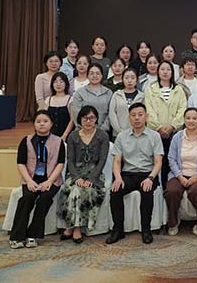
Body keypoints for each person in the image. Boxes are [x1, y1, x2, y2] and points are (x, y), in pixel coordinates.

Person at [106, 103, 164, 245]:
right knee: (115, 191)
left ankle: (146, 230)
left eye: (140, 114)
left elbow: (158, 162)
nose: (137, 118)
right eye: (133, 115)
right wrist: (118, 178)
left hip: (147, 173)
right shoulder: (121, 136)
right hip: (128, 174)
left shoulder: (154, 136)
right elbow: (117, 161)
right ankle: (118, 230)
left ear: (146, 117)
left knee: (147, 191)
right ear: (129, 118)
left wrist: (151, 178)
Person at [8, 110, 65, 249]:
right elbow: (20, 163)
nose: (42, 124)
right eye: (38, 121)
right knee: (26, 199)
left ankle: (32, 235)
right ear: (34, 124)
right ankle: (17, 236)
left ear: (51, 124)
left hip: (51, 180)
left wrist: (49, 181)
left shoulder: (58, 142)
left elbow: (60, 164)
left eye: (45, 121)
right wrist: (29, 181)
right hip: (31, 179)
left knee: (44, 199)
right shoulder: (26, 141)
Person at [58, 106, 109, 244]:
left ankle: (73, 228)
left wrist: (92, 178)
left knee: (84, 190)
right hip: (76, 173)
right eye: (85, 118)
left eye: (91, 118)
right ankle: (75, 227)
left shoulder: (102, 136)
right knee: (74, 189)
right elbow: (70, 160)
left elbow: (102, 160)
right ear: (80, 119)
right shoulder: (73, 136)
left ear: (96, 119)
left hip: (95, 174)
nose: (88, 121)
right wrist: (77, 178)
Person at [165, 108, 197, 236]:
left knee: (196, 191)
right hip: (179, 174)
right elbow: (171, 158)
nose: (191, 121)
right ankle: (173, 222)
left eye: (194, 118)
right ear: (184, 120)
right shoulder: (177, 137)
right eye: (188, 118)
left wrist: (196, 176)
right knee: (172, 191)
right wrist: (179, 176)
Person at [144, 60, 187, 187]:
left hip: (174, 133)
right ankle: (158, 189)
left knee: (173, 162)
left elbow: (182, 109)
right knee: (157, 162)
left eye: (168, 69)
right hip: (155, 133)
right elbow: (149, 110)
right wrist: (159, 128)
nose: (165, 72)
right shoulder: (151, 89)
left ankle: (170, 188)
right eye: (162, 69)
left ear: (172, 72)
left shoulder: (179, 89)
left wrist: (172, 126)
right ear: (158, 72)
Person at [72, 63, 113, 132]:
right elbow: (76, 113)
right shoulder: (80, 92)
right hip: (83, 131)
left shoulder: (108, 92)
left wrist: (101, 129)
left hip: (103, 131)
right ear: (87, 75)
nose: (94, 76)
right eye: (91, 73)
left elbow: (110, 113)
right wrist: (86, 128)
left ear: (102, 75)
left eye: (97, 73)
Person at [109, 68, 145, 140]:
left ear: (136, 80)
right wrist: (119, 131)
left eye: (132, 78)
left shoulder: (142, 96)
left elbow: (144, 115)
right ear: (122, 79)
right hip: (118, 134)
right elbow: (112, 114)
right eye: (126, 78)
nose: (129, 80)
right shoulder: (117, 95)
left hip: (137, 134)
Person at [44, 72, 74, 141]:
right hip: (50, 136)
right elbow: (45, 118)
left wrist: (65, 135)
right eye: (55, 82)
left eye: (61, 82)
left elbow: (72, 120)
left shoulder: (70, 99)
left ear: (66, 84)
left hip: (66, 136)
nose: (58, 84)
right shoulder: (48, 100)